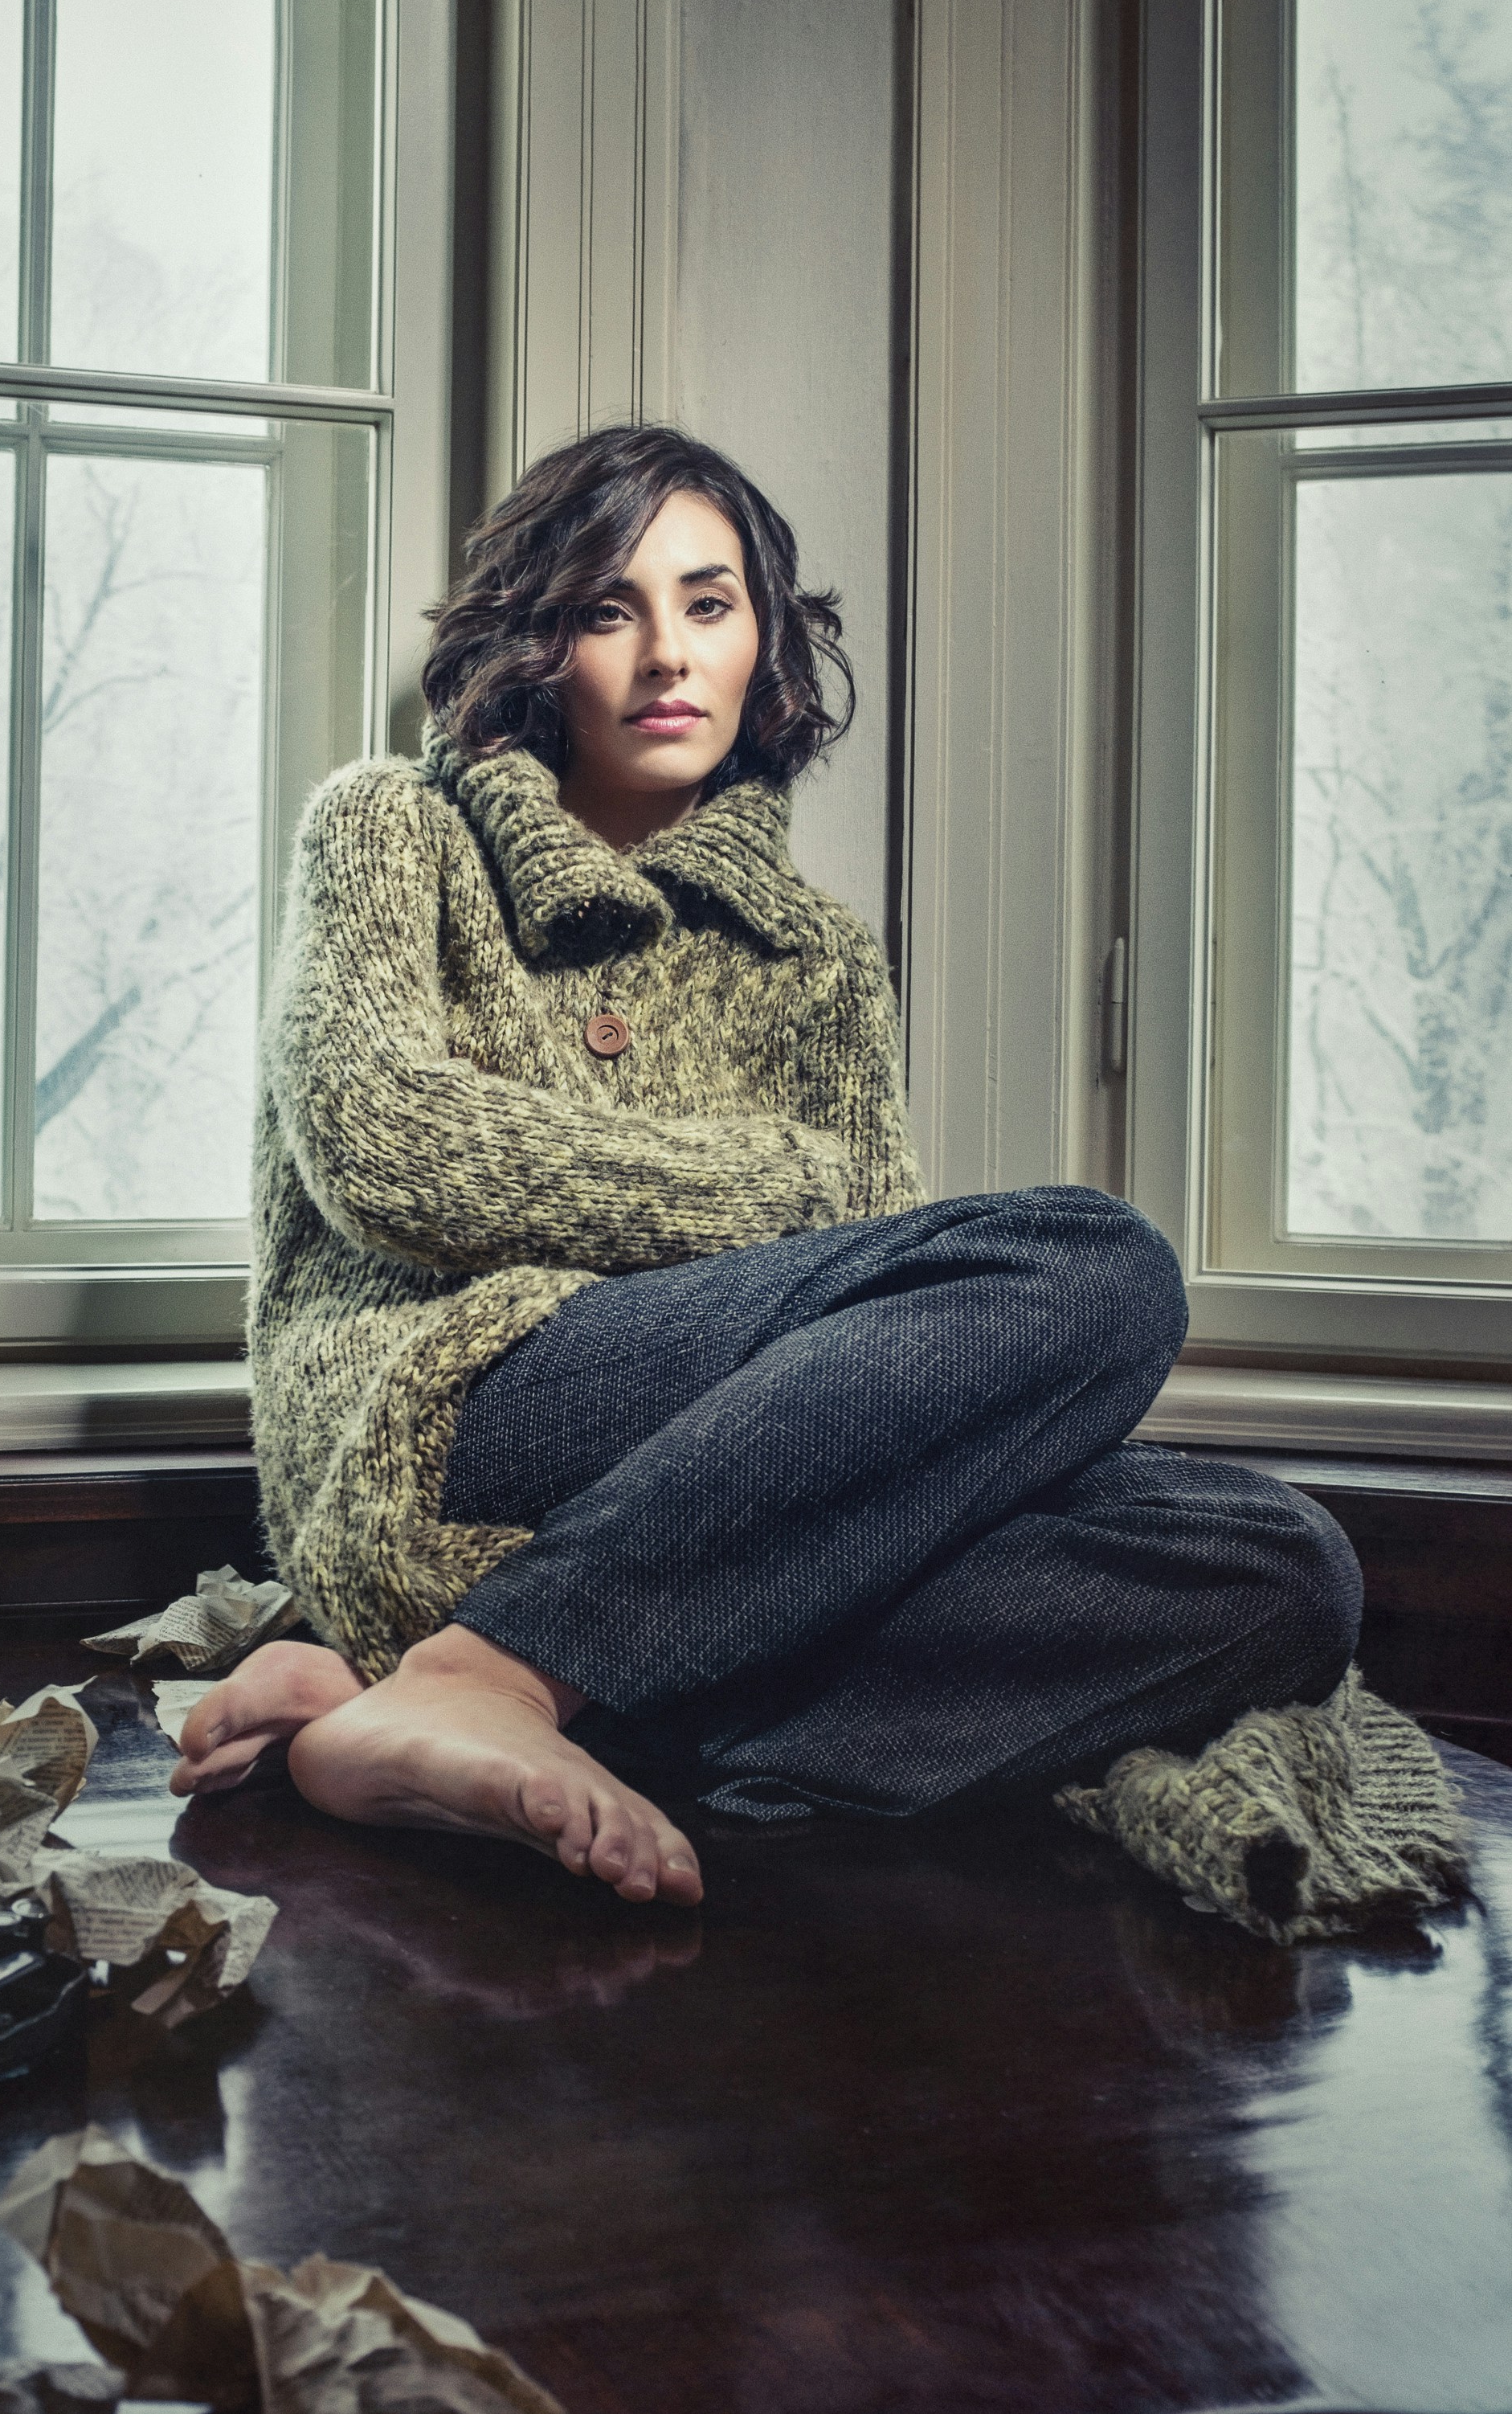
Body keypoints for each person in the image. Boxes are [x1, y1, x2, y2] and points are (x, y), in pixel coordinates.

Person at [171, 424, 1363, 1913]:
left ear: (766, 643)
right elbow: (388, 1152)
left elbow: (878, 1358)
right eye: (609, 608)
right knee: (1096, 1257)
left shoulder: (820, 956)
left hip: (700, 1497)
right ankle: (481, 1670)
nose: (666, 651)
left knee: (1280, 1562)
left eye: (710, 602)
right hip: (442, 1411)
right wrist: (782, 1185)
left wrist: (817, 1248)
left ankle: (432, 1701)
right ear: (540, 642)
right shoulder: (390, 828)